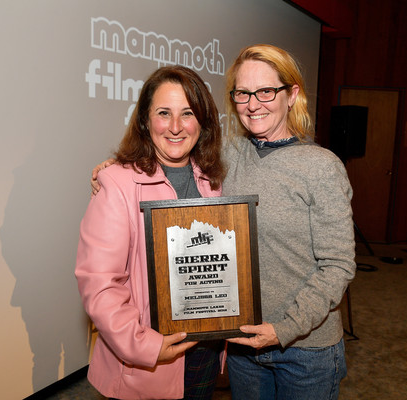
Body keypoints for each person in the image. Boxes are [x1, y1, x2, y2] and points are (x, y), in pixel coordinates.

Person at [91, 44, 356, 400]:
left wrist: (283, 329)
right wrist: (115, 168)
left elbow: (337, 265)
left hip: (305, 351)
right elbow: (169, 155)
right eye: (243, 93)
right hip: (242, 347)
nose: (253, 103)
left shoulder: (321, 167)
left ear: (292, 94)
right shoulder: (225, 158)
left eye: (266, 91)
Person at [76, 65, 226, 400]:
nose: (175, 127)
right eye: (163, 113)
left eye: (187, 113)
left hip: (205, 351)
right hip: (148, 359)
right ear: (146, 120)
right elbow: (99, 282)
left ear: (202, 122)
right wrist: (145, 345)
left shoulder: (213, 181)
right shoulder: (117, 183)